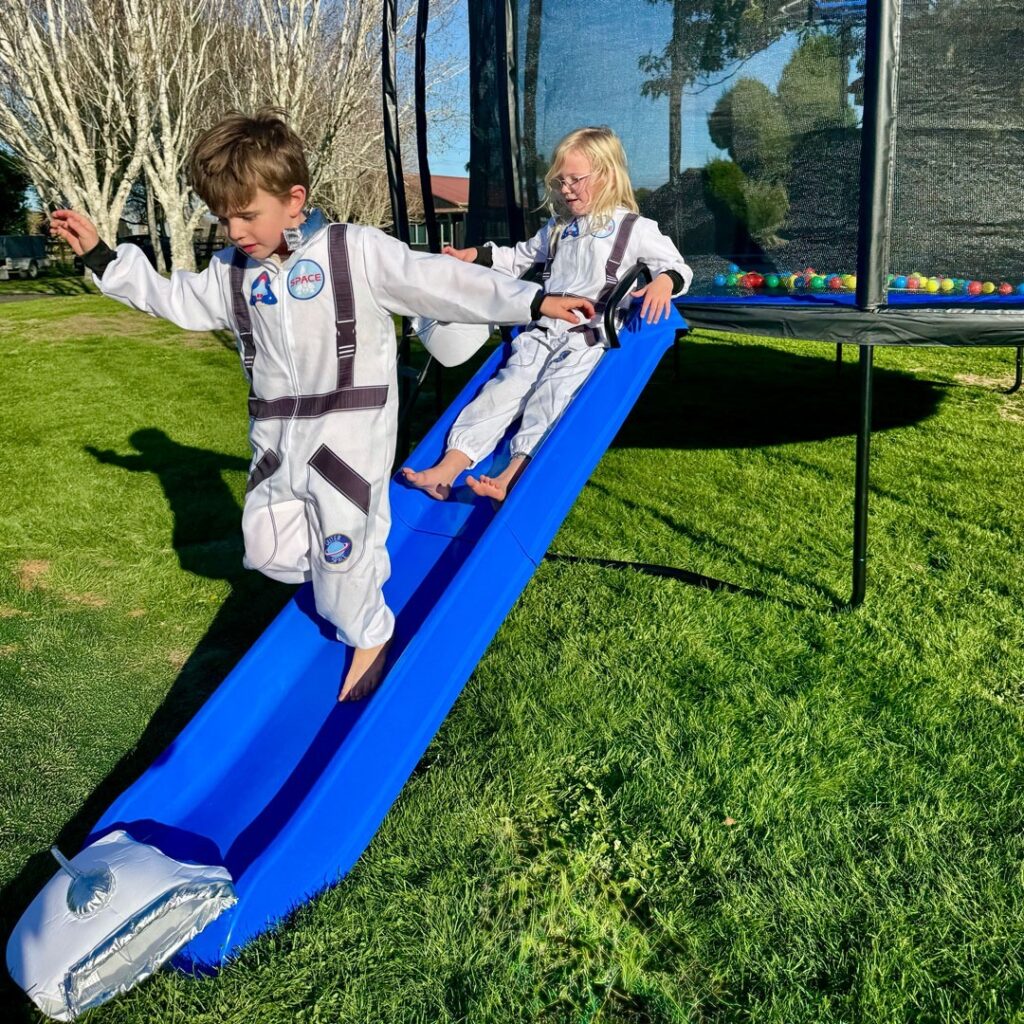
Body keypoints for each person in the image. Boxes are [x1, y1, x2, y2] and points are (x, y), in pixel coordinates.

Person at [49, 108, 594, 702]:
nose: (234, 231)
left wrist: (533, 301)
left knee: (340, 542)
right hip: (275, 432)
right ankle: (361, 557)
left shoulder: (351, 250)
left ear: (294, 199)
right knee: (268, 549)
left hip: (348, 425)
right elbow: (171, 296)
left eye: (247, 214)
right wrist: (104, 256)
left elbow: (441, 282)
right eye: (223, 217)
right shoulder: (234, 273)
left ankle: (371, 632)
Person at [401, 126, 691, 503]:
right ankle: (446, 471)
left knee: (550, 400)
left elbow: (678, 266)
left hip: (586, 340)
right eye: (561, 181)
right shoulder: (559, 229)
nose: (567, 188)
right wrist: (473, 256)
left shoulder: (632, 227)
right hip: (541, 334)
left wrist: (664, 283)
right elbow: (517, 257)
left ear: (606, 175)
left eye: (576, 179)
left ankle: (509, 476)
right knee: (498, 394)